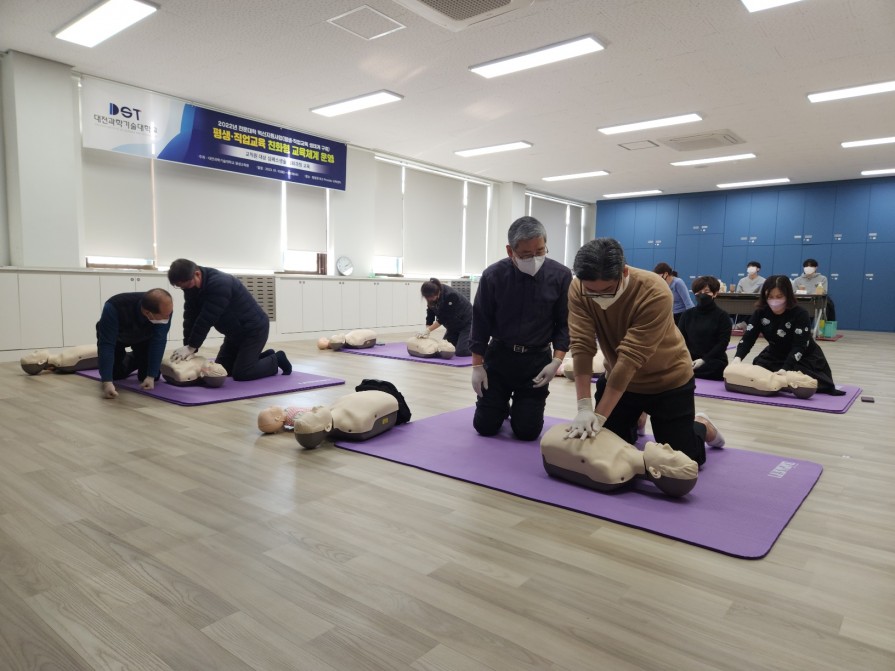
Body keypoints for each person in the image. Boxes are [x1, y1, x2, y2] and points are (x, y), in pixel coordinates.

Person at [565, 238, 725, 467]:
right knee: (605, 452)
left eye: (607, 290)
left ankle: (701, 424)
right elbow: (581, 345)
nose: (598, 297)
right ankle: (638, 415)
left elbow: (630, 358)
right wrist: (583, 407)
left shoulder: (655, 291)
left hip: (668, 381)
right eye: (591, 291)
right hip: (620, 382)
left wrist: (598, 418)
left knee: (683, 461)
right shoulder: (578, 287)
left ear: (624, 272)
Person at [469, 216, 572, 441]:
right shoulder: (493, 275)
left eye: (540, 251)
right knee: (485, 427)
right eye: (526, 255)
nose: (534, 258)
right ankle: (499, 405)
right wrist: (477, 366)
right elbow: (480, 321)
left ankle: (520, 410)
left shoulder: (561, 276)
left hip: (536, 361)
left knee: (527, 432)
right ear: (510, 251)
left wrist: (556, 361)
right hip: (499, 357)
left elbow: (564, 323)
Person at [167, 258, 291, 380]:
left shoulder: (219, 283)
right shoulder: (191, 287)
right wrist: (188, 347)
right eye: (181, 287)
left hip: (253, 330)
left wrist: (192, 346)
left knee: (242, 373)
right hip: (234, 332)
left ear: (197, 274)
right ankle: (265, 357)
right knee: (221, 370)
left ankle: (276, 358)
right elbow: (190, 316)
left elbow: (206, 319)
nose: (186, 289)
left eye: (187, 285)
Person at [732, 275, 845, 395]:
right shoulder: (760, 312)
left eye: (779, 296)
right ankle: (785, 383)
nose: (774, 300)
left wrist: (785, 369)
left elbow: (799, 346)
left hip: (803, 356)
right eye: (770, 297)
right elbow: (749, 337)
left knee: (806, 380)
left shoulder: (800, 313)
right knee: (759, 366)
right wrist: (737, 358)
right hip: (775, 353)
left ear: (788, 296)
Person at [96, 288, 173, 399]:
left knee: (150, 376)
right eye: (165, 316)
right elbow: (107, 344)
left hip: (144, 337)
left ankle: (137, 358)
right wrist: (107, 382)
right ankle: (129, 358)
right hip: (118, 337)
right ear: (148, 313)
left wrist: (151, 376)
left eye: (169, 314)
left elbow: (159, 340)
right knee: (115, 374)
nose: (168, 318)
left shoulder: (165, 309)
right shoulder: (114, 306)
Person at [676, 276, 732, 380]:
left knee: (717, 368)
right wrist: (686, 359)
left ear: (715, 294)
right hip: (689, 358)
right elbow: (680, 340)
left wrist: (704, 360)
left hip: (713, 359)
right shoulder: (687, 315)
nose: (702, 295)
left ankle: (688, 371)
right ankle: (687, 369)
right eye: (699, 292)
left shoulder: (722, 316)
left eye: (706, 291)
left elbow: (722, 343)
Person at [419, 278, 473, 356]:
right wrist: (427, 329)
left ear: (437, 292)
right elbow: (430, 312)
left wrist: (428, 330)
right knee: (444, 349)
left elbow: (444, 318)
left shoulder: (450, 295)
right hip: (453, 326)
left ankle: (483, 349)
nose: (429, 299)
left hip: (467, 323)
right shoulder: (431, 295)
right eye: (427, 298)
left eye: (431, 297)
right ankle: (461, 340)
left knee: (462, 351)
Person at [793, 257, 836, 322]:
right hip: (802, 303)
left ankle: (823, 327)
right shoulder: (797, 280)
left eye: (811, 266)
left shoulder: (822, 278)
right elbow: (794, 293)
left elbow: (824, 291)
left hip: (817, 303)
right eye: (806, 266)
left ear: (816, 268)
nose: (808, 267)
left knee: (828, 305)